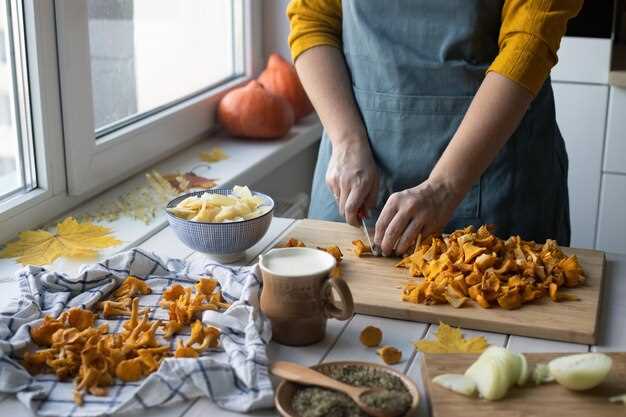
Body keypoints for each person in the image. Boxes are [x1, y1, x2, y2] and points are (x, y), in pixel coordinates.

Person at [287, 0, 582, 256]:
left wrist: (444, 187)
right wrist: (346, 141)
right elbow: (312, 19)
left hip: (497, 173)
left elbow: (528, 44)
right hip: (351, 156)